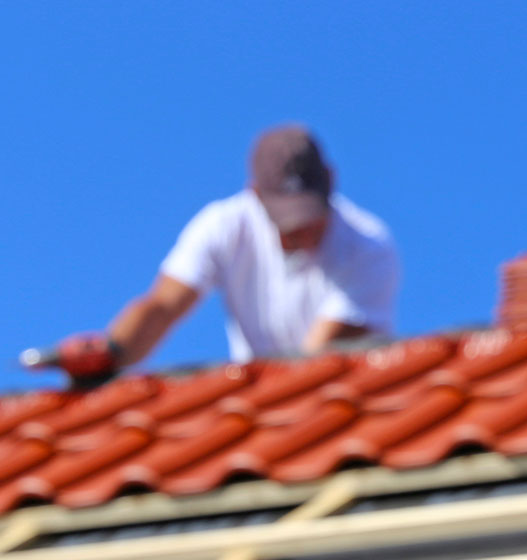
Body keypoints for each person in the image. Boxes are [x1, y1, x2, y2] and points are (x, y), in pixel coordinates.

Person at [45, 125, 400, 382]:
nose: (301, 232)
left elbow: (311, 361)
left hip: (341, 393)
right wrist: (110, 354)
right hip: (261, 392)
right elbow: (163, 305)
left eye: (309, 216)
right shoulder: (224, 225)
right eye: (287, 221)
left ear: (331, 181)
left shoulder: (369, 247)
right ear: (255, 195)